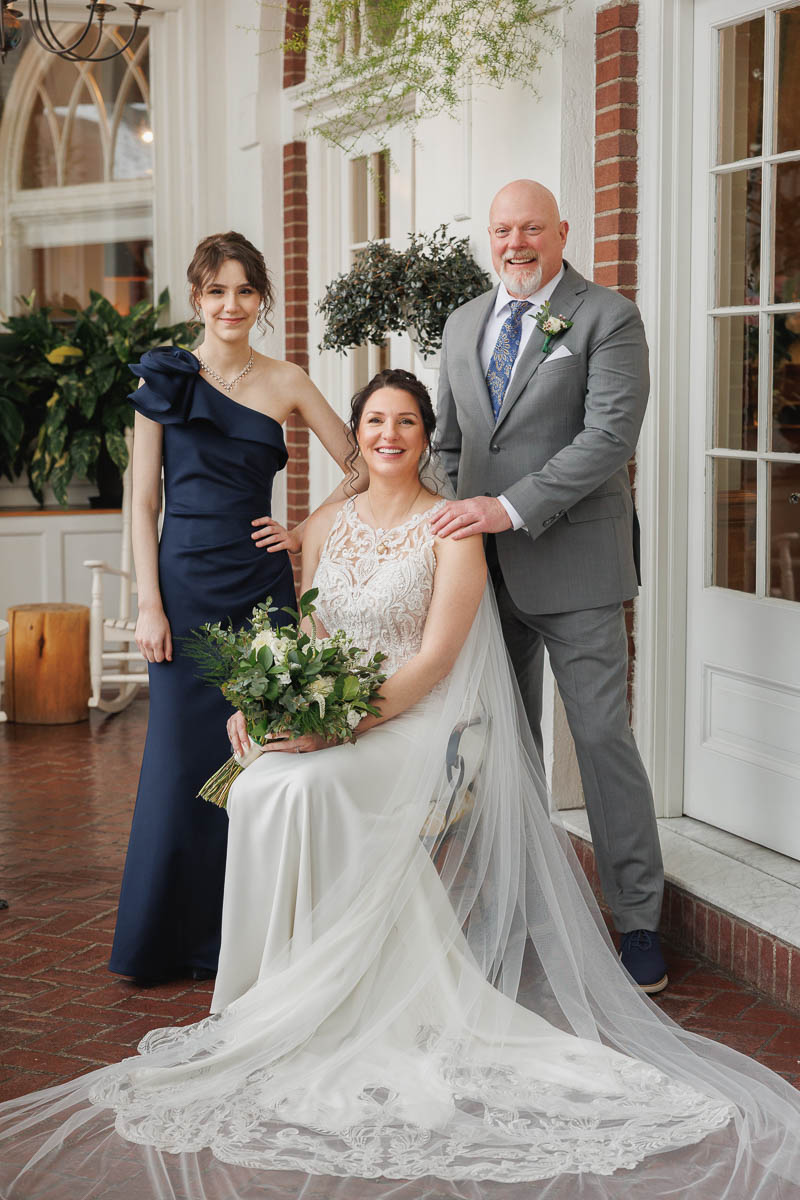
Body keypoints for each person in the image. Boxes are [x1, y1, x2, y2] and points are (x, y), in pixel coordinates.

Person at [2, 369, 799, 1200]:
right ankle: (269, 995)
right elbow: (305, 635)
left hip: (421, 724)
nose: (389, 435)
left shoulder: (451, 530)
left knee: (303, 787)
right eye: (375, 421)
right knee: (257, 783)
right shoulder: (325, 524)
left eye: (407, 422)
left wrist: (335, 726)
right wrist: (263, 701)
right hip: (332, 708)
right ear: (358, 434)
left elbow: (433, 665)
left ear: (425, 438)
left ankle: (343, 990)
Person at [433, 179, 667, 993]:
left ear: (562, 231)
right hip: (482, 578)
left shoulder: (609, 317)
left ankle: (638, 921)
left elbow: (610, 437)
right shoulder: (463, 324)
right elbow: (447, 444)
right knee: (502, 746)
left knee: (601, 740)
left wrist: (507, 507)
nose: (516, 243)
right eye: (502, 229)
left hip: (577, 568)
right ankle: (525, 903)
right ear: (487, 238)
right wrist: (457, 520)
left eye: (532, 227)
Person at [109, 231, 361, 986]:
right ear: (197, 297)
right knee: (181, 762)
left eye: (244, 291)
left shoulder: (286, 380)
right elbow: (142, 500)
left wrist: (302, 529)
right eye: (216, 291)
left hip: (260, 592)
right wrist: (148, 605)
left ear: (261, 300)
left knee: (261, 755)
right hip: (183, 589)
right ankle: (170, 942)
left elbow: (360, 463)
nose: (230, 305)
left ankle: (255, 935)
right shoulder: (163, 380)